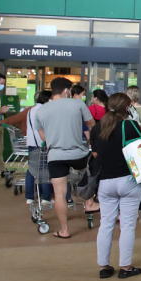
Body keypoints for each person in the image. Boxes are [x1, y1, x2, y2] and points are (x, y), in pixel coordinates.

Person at [91, 93, 141, 279]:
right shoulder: (130, 126)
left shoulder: (98, 127)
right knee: (127, 225)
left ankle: (104, 267)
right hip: (128, 180)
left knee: (106, 224)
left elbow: (95, 154)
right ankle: (126, 267)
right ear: (127, 108)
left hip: (105, 182)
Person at [34, 77, 95, 239]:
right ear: (67, 91)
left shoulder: (40, 111)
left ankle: (64, 230)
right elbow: (91, 125)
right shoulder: (78, 104)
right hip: (79, 154)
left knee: (59, 194)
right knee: (94, 170)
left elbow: (44, 138)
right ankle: (89, 202)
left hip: (55, 156)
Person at [23, 90, 53, 204]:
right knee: (44, 170)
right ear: (47, 99)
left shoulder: (31, 110)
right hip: (41, 144)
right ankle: (45, 197)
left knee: (31, 170)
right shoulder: (44, 110)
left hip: (32, 143)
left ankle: (29, 197)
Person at [126, 85, 141, 211]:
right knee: (140, 176)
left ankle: (128, 208)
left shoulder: (126, 111)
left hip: (128, 146)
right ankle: (139, 205)